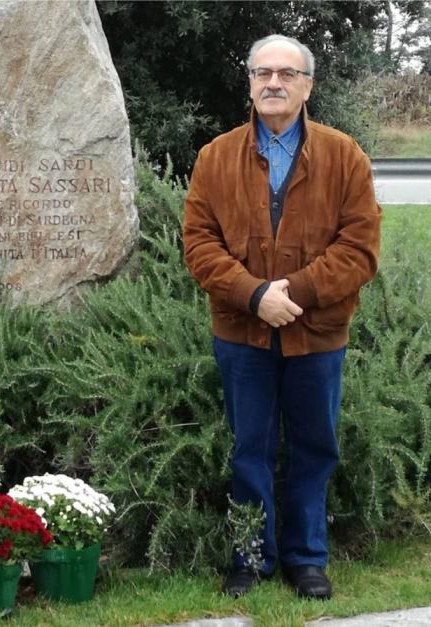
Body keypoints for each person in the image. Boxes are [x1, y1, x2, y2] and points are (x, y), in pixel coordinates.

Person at [182, 34, 381, 600]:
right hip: (241, 333)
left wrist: (289, 292)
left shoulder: (345, 156)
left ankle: (306, 558)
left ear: (308, 85)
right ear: (249, 82)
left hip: (316, 332)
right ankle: (249, 556)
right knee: (250, 447)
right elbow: (199, 244)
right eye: (262, 72)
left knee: (315, 446)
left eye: (286, 74)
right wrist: (253, 294)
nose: (273, 82)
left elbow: (360, 247)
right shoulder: (214, 157)